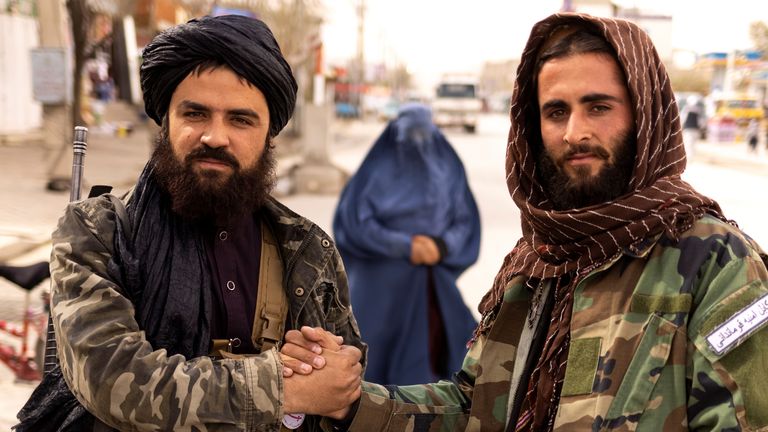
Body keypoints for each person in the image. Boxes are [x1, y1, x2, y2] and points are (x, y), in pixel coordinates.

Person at [281, 13, 768, 431]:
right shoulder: (537, 262)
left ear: (645, 113)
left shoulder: (714, 262)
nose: (575, 132)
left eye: (598, 107)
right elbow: (474, 410)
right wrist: (349, 401)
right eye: (556, 112)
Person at [15, 15, 364, 431]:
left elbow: (341, 380)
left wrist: (328, 365)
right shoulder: (97, 233)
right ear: (167, 122)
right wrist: (286, 388)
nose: (215, 136)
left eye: (240, 119)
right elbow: (114, 380)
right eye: (195, 114)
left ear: (270, 133)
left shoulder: (307, 248)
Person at [332, 103, 480, 385]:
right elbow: (354, 223)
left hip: (432, 285)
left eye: (423, 135)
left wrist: (441, 246)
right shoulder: (376, 168)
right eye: (410, 135)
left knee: (448, 369)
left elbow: (464, 220)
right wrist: (404, 246)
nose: (417, 145)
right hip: (381, 290)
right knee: (367, 371)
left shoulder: (447, 165)